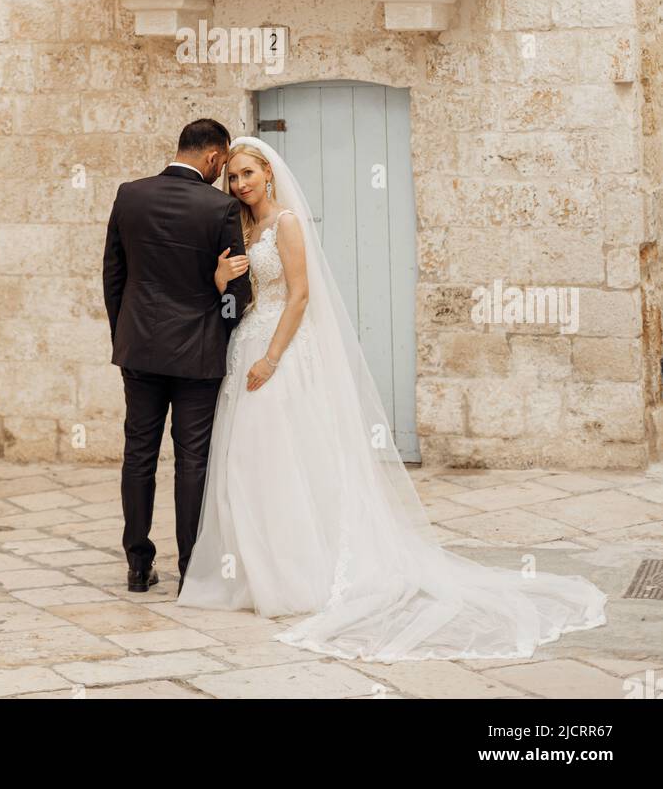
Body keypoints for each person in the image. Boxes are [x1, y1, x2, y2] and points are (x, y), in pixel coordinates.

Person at [177, 137, 608, 662]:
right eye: (234, 178)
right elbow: (239, 294)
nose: (240, 184)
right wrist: (222, 279)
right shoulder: (241, 227)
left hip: (280, 351)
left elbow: (301, 295)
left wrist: (271, 357)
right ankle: (253, 572)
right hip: (245, 343)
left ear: (268, 172)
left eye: (248, 174)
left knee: (288, 457)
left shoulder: (288, 223)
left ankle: (299, 574)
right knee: (248, 462)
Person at [102, 119, 251, 593]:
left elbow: (114, 277)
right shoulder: (221, 207)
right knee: (194, 461)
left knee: (138, 455)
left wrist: (125, 336)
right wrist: (221, 331)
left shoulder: (130, 195)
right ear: (213, 157)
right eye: (223, 164)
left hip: (139, 351)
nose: (223, 172)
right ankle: (191, 567)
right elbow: (238, 292)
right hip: (197, 355)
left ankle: (138, 565)